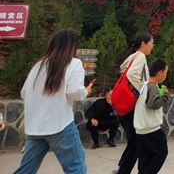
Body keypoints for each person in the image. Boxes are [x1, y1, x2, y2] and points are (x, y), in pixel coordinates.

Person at [13, 29, 95, 174]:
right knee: (76, 168)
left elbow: (24, 93)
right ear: (72, 46)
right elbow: (74, 93)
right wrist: (86, 91)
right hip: (61, 125)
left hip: (35, 128)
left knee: (26, 170)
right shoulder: (74, 63)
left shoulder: (38, 65)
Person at [115, 33, 154, 174]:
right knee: (136, 143)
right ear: (143, 43)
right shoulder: (140, 56)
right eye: (151, 43)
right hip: (131, 106)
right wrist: (143, 90)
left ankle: (120, 168)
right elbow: (132, 75)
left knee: (134, 142)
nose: (152, 47)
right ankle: (122, 170)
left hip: (123, 106)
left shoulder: (131, 57)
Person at [134, 58, 171, 174]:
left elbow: (149, 100)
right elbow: (153, 104)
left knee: (145, 157)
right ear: (160, 73)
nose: (165, 75)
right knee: (161, 152)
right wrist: (166, 95)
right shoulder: (153, 87)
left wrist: (161, 93)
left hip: (141, 130)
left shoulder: (144, 86)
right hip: (151, 129)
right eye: (165, 72)